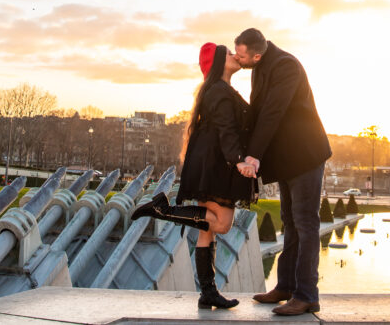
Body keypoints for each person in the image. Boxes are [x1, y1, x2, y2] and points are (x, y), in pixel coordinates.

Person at [131, 43, 255, 309]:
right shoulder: (219, 91)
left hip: (208, 163)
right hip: (215, 165)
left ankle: (207, 293)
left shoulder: (217, 90)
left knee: (206, 231)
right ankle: (162, 211)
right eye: (229, 53)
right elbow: (226, 131)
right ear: (219, 62)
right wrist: (239, 161)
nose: (235, 55)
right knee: (221, 224)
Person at [234, 28, 331, 316]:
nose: (239, 60)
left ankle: (307, 295)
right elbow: (256, 112)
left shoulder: (286, 65)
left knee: (305, 223)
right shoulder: (262, 66)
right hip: (289, 158)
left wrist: (253, 155)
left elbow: (272, 112)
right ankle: (287, 286)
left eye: (241, 55)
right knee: (290, 221)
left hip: (304, 154)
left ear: (257, 54)